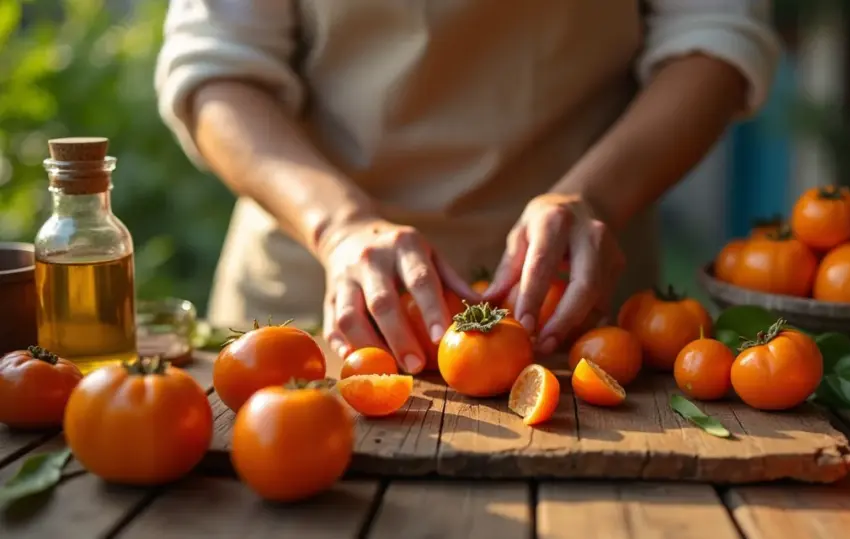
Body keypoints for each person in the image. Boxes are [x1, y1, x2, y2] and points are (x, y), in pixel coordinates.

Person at [155, 1, 780, 374]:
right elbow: (219, 69)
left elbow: (716, 36)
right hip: (312, 288)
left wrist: (596, 198)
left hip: (578, 305)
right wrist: (336, 226)